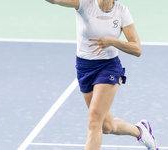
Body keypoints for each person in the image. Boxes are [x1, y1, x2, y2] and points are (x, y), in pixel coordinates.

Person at [45, 0, 159, 150]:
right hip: (84, 67)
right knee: (106, 126)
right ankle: (140, 131)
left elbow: (137, 49)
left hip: (108, 67)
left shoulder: (122, 12)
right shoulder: (84, 4)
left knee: (94, 121)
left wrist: (113, 41)